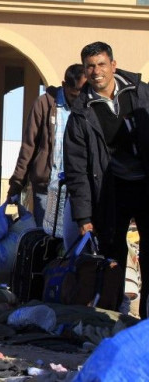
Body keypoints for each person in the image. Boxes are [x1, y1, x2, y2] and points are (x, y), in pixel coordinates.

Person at [64, 41, 149, 318]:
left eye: (101, 64)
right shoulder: (80, 113)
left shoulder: (141, 94)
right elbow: (77, 170)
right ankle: (109, 318)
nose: (96, 71)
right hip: (110, 191)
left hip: (145, 185)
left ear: (113, 65)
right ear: (85, 71)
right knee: (112, 258)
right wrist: (83, 216)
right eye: (90, 66)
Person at [8, 64, 87, 226]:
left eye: (81, 94)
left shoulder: (88, 106)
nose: (77, 99)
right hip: (47, 187)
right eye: (73, 95)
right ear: (64, 86)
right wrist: (17, 183)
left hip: (78, 189)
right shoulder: (44, 104)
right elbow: (29, 145)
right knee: (45, 237)